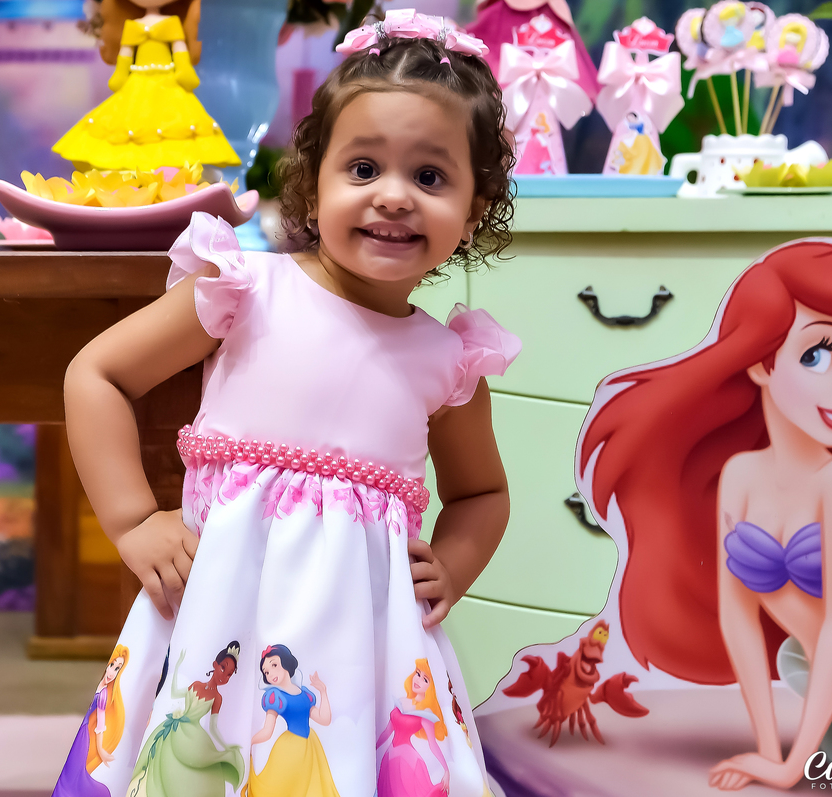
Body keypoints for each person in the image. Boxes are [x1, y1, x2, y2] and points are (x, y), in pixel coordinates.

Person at [59, 10, 520, 796]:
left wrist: (453, 564)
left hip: (360, 649)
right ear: (315, 181)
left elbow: (482, 492)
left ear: (474, 209)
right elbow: (97, 374)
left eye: (430, 177)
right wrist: (133, 521)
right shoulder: (245, 290)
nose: (394, 197)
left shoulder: (449, 362)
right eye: (364, 168)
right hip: (218, 615)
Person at [579, 239, 832, 791]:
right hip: (831, 699)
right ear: (763, 361)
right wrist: (768, 750)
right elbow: (737, 617)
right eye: (817, 355)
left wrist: (790, 764)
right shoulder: (740, 475)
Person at [53, 0, 239, 172]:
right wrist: (120, 74)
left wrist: (184, 70)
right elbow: (126, 54)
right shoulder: (133, 26)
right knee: (130, 123)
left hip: (167, 81)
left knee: (173, 123)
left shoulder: (171, 23)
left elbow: (179, 50)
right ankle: (137, 176)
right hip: (137, 81)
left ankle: (170, 176)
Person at [128, 643, 244, 796]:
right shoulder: (196, 685)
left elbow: (213, 727)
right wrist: (177, 667)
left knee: (192, 768)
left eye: (229, 674)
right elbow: (175, 693)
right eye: (223, 668)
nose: (225, 676)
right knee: (159, 763)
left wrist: (225, 747)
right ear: (215, 664)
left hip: (193, 735)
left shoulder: (217, 697)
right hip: (174, 727)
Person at [245, 644, 338, 796]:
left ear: (286, 662)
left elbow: (324, 719)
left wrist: (323, 691)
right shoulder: (275, 697)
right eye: (266, 672)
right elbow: (267, 731)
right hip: (290, 749)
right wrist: (249, 742)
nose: (270, 674)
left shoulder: (305, 694)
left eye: (274, 665)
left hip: (310, 747)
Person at [54, 646, 129, 797]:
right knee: (69, 776)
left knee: (72, 777)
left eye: (117, 669)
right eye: (112, 665)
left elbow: (101, 722)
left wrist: (100, 749)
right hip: (83, 730)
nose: (111, 672)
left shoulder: (104, 695)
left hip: (84, 737)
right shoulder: (101, 685)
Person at [376, 659, 450, 796]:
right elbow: (387, 732)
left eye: (425, 679)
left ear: (431, 687)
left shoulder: (426, 713)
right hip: (389, 757)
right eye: (418, 673)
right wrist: (372, 749)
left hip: (407, 760)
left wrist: (446, 770)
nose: (418, 680)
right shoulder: (401, 701)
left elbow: (432, 744)